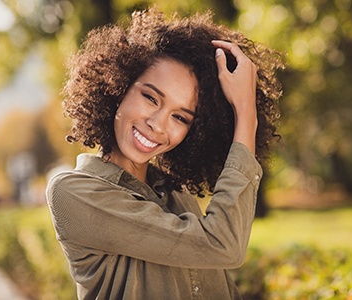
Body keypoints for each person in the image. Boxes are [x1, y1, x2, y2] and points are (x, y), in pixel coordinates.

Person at [46, 7, 283, 300]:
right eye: (150, 97)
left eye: (180, 118)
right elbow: (223, 245)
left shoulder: (175, 194)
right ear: (118, 87)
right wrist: (246, 114)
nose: (158, 125)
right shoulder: (75, 192)